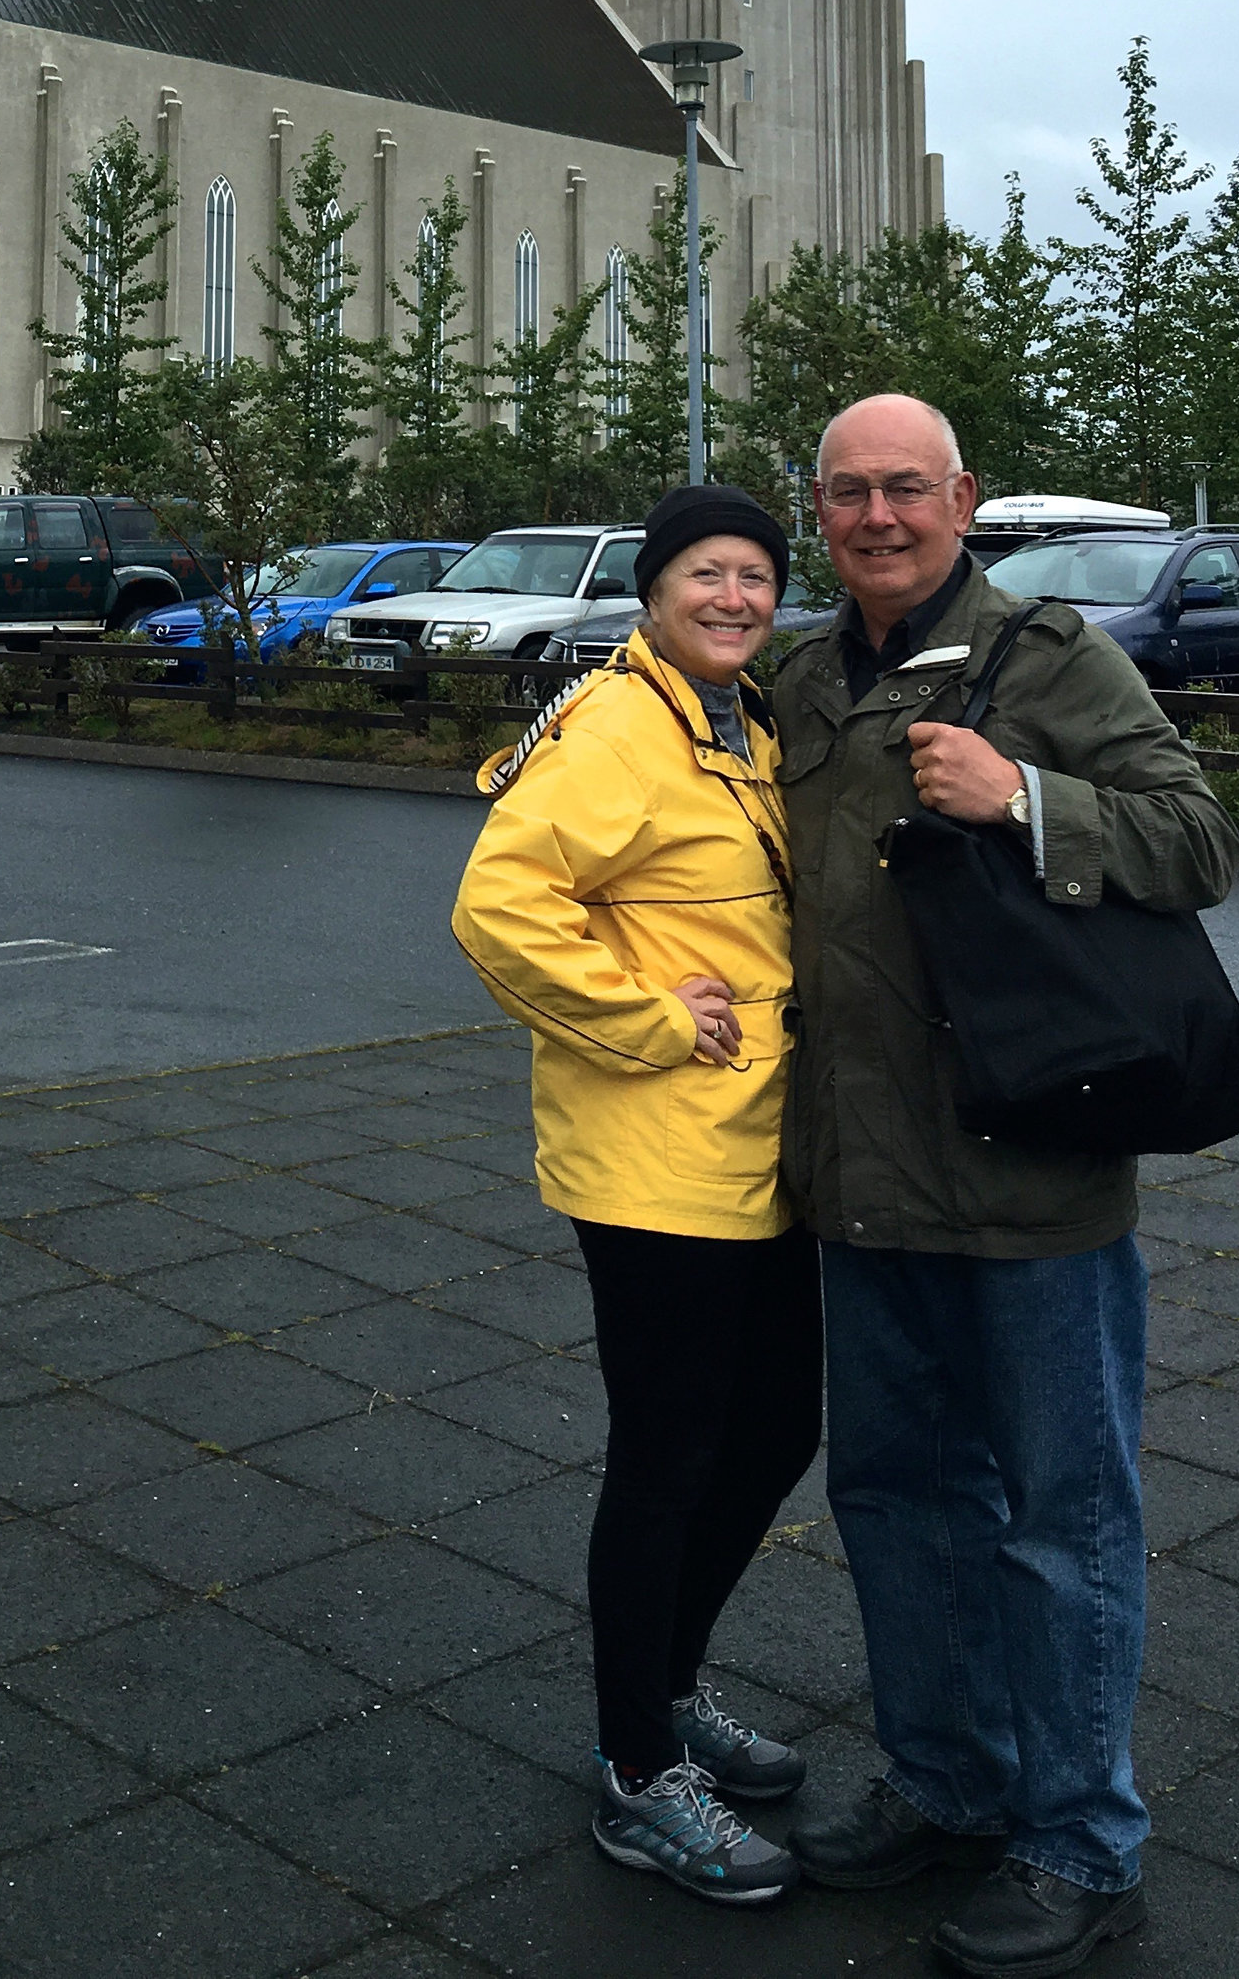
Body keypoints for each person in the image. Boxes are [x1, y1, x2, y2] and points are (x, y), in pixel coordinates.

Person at [776, 394, 1238, 1978]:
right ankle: (949, 1780)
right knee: (897, 1501)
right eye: (850, 491)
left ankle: (1081, 1842)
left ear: (963, 495)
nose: (880, 514)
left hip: (1031, 1174)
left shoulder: (1049, 658)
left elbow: (1198, 835)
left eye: (908, 486)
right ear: (818, 509)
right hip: (858, 1178)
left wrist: (1025, 798)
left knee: (1064, 1518)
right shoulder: (791, 672)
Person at [452, 483, 819, 1911]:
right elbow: (501, 906)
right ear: (655, 588)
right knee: (670, 1453)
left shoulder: (732, 719)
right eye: (706, 574)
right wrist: (653, 1017)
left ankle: (667, 1690)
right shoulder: (620, 722)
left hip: (758, 1146)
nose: (735, 597)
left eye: (756, 577)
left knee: (777, 1427)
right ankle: (633, 1767)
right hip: (658, 1151)